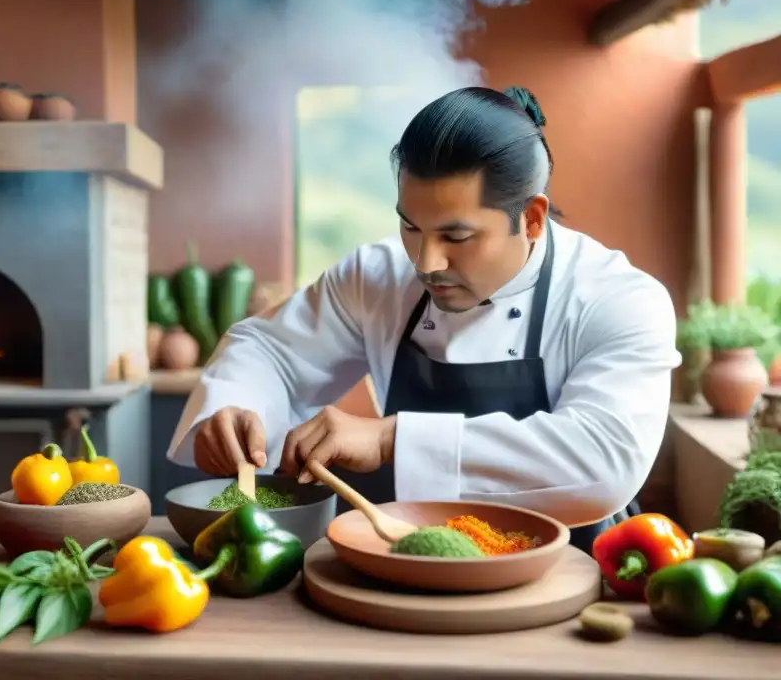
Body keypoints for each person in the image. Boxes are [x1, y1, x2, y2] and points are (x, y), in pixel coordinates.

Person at [167, 85, 681, 552]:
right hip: (409, 556)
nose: (427, 262)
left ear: (531, 218)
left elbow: (601, 459)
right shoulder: (377, 275)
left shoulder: (619, 300)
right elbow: (270, 351)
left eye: (456, 237)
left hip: (570, 570)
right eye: (411, 227)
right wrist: (238, 407)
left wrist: (391, 438)